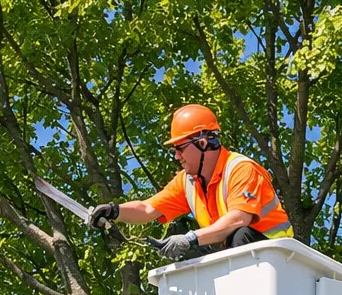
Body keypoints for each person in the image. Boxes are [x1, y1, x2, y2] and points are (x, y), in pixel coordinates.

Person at [88, 104, 293, 260]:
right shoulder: (188, 181)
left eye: (180, 148)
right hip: (242, 258)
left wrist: (190, 238)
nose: (177, 156)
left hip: (282, 259)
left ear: (202, 143)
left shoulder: (240, 169)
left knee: (239, 236)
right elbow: (147, 209)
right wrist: (113, 211)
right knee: (192, 256)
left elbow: (239, 219)